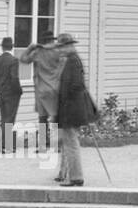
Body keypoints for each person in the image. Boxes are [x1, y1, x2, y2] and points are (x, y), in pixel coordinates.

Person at [54, 34, 96, 187]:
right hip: (70, 108)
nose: (59, 50)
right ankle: (71, 175)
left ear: (68, 46)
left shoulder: (72, 61)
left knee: (71, 143)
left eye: (61, 47)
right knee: (69, 142)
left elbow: (76, 86)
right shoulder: (70, 60)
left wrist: (64, 99)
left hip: (71, 109)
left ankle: (76, 177)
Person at [22, 33, 66, 176]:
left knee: (42, 119)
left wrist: (30, 48)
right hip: (54, 88)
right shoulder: (58, 52)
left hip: (41, 89)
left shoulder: (39, 52)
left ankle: (42, 146)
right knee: (55, 119)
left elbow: (23, 59)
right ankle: (57, 145)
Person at [0, 36, 23, 148]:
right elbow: (14, 78)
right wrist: (19, 91)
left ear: (2, 48)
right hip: (12, 94)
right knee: (10, 118)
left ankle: (2, 144)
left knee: (4, 117)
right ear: (11, 47)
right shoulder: (13, 61)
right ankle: (6, 145)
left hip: (0, 93)